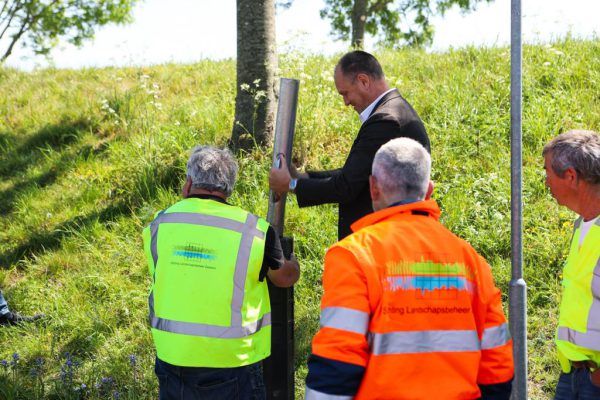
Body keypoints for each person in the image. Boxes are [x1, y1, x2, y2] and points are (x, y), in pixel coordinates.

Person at [304, 138, 514, 399]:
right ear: (429, 191)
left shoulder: (354, 255)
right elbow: (498, 363)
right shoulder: (471, 260)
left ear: (373, 187)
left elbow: (339, 357)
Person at [143, 145, 300, 400]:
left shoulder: (159, 225)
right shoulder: (254, 230)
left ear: (188, 183)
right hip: (231, 364)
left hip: (172, 357)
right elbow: (284, 277)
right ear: (228, 188)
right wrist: (292, 262)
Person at [269, 50, 430, 240]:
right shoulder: (394, 111)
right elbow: (357, 174)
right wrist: (303, 177)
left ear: (363, 81)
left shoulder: (385, 121)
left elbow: (347, 186)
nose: (346, 102)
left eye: (345, 93)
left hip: (382, 241)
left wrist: (291, 184)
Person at [542, 130, 600, 400]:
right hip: (573, 376)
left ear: (571, 176)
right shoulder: (581, 225)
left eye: (548, 173)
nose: (546, 183)